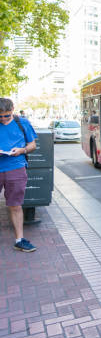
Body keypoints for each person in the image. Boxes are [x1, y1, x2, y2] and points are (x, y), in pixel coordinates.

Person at [0, 98, 37, 252]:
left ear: (13, 110)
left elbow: (32, 145)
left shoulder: (23, 123)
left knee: (15, 205)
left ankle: (19, 240)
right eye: (0, 117)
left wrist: (22, 150)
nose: (3, 119)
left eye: (6, 116)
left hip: (16, 167)